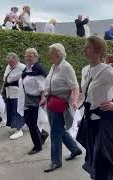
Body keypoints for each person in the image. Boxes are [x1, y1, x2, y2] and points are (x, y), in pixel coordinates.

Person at [76, 35, 113, 180]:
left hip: (105, 122)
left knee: (104, 160)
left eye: (88, 47)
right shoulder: (85, 70)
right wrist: (79, 108)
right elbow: (86, 93)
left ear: (98, 50)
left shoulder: (106, 70)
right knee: (95, 160)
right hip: (90, 122)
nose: (84, 50)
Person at [44, 43, 82, 172]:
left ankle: (56, 161)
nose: (49, 55)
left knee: (55, 132)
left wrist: (75, 100)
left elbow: (75, 86)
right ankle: (75, 149)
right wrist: (45, 96)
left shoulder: (66, 67)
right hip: (51, 101)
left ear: (59, 54)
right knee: (59, 130)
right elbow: (49, 82)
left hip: (60, 103)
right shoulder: (54, 66)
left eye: (51, 53)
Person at [17, 48, 49, 155]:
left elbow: (43, 86)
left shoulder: (38, 69)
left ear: (36, 57)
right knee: (29, 121)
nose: (28, 58)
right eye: (26, 56)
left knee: (31, 123)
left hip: (35, 99)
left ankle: (37, 146)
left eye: (30, 56)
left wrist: (43, 98)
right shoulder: (26, 69)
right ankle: (43, 134)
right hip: (26, 98)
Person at [2, 53, 26, 139]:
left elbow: (25, 80)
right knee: (11, 110)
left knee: (17, 111)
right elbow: (5, 78)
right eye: (8, 62)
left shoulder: (22, 67)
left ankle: (19, 130)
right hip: (9, 92)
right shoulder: (8, 67)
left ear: (16, 60)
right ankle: (20, 125)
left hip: (17, 92)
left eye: (11, 62)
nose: (10, 64)